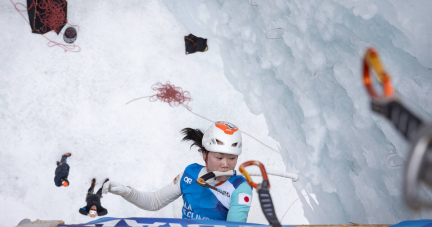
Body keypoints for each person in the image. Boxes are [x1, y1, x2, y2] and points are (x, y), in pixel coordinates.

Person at [103, 121, 253, 222]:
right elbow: (154, 202)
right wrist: (126, 192)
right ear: (204, 155)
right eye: (219, 158)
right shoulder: (190, 174)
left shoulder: (241, 187)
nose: (226, 165)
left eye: (232, 158)